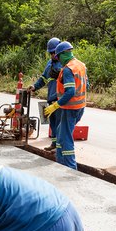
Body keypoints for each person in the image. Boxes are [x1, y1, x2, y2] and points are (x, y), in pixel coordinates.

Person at [43, 41, 87, 170]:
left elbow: (70, 92)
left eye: (58, 56)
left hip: (70, 108)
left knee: (66, 138)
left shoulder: (68, 69)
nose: (58, 59)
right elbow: (86, 85)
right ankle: (60, 163)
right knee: (61, 136)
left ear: (62, 54)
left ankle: (70, 167)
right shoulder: (80, 65)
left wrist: (55, 106)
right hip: (80, 107)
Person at [28, 37, 62, 151]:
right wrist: (34, 87)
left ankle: (60, 146)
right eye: (51, 53)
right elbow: (43, 78)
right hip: (51, 97)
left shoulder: (64, 63)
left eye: (54, 52)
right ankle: (54, 144)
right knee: (52, 122)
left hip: (60, 98)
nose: (53, 55)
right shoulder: (49, 64)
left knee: (60, 123)